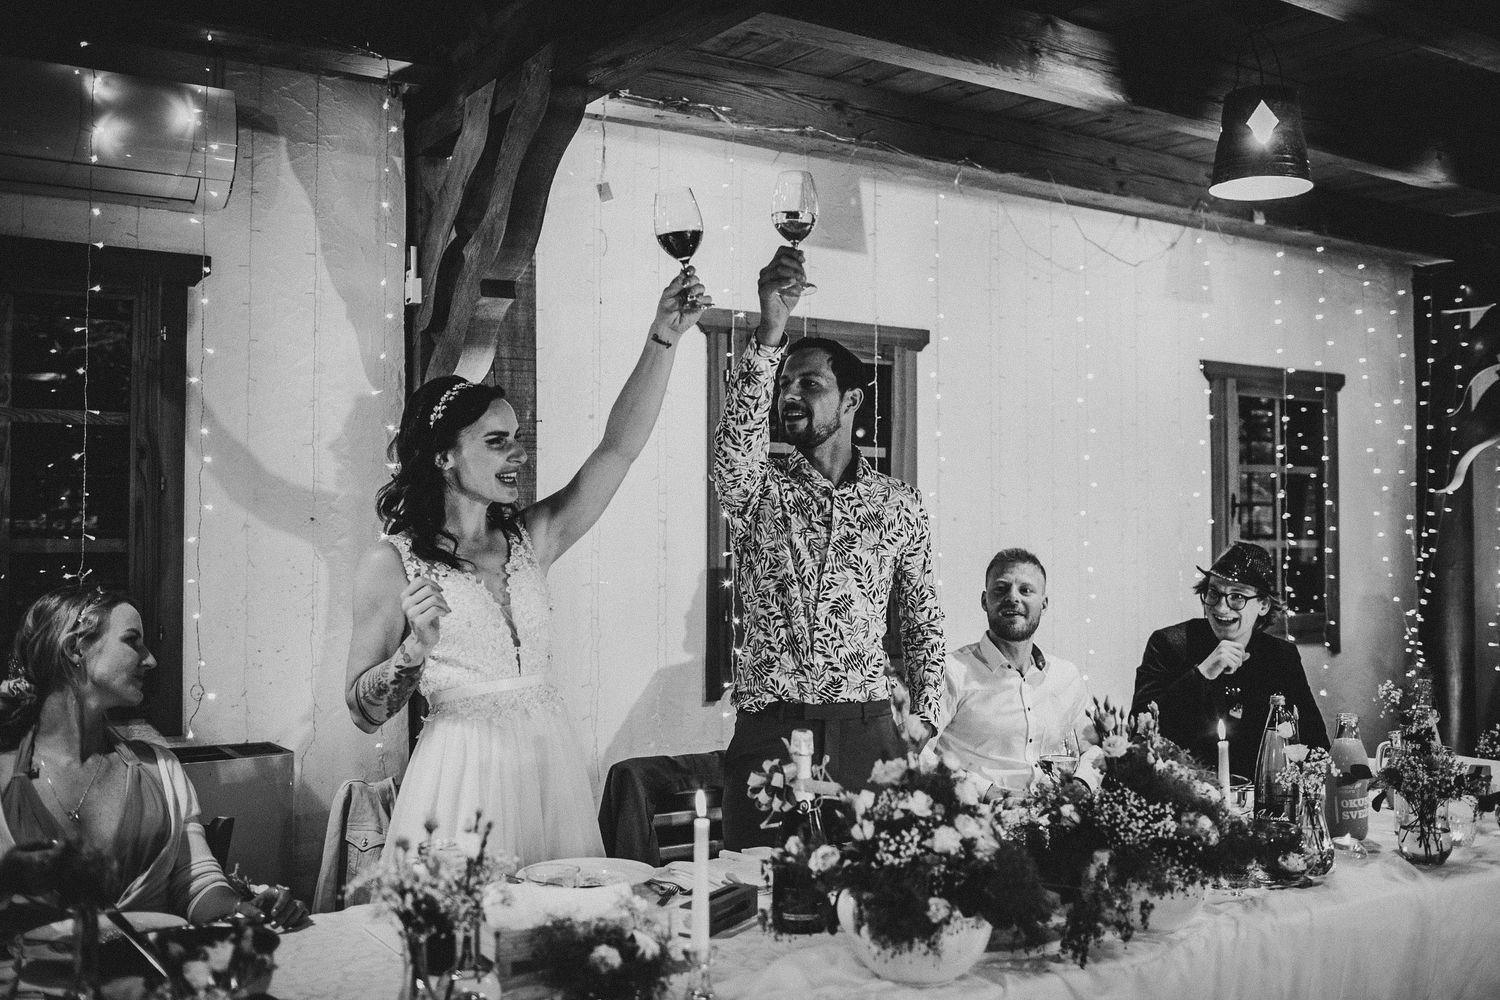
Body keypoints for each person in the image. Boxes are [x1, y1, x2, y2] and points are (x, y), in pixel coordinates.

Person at [346, 268, 710, 865]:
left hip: (549, 771)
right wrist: (413, 650)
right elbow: (364, 713)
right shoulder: (391, 563)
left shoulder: (531, 540)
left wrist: (661, 341)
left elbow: (618, 448)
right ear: (443, 457)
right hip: (461, 781)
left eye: (517, 437)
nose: (518, 452)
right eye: (496, 441)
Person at [713, 248, 945, 848]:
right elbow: (734, 447)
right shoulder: (756, 490)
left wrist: (927, 715)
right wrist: (770, 330)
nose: (790, 396)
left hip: (867, 735)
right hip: (770, 730)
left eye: (809, 384)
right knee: (759, 896)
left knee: (870, 897)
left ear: (850, 402)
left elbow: (922, 621)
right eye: (784, 385)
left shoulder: (901, 505)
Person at [0, 585, 305, 926]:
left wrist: (238, 906)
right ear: (76, 648)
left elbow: (195, 882)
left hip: (149, 972)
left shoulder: (160, 768)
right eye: (132, 641)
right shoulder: (5, 772)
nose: (151, 659)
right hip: (32, 978)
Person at [1131, 541, 1329, 778]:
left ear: (1264, 605)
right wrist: (1203, 673)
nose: (1221, 607)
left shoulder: (1280, 656)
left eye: (1237, 597)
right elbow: (1139, 730)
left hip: (1260, 797)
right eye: (1214, 593)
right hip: (1182, 794)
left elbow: (1315, 743)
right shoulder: (1169, 644)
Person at [931, 549, 1101, 799]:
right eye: (1001, 589)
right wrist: (985, 791)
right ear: (984, 600)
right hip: (979, 826)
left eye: (1026, 590)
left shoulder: (1066, 676)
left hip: (1055, 822)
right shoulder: (951, 671)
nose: (1013, 597)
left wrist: (1082, 784)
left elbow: (1092, 749)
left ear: (1043, 604)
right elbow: (917, 754)